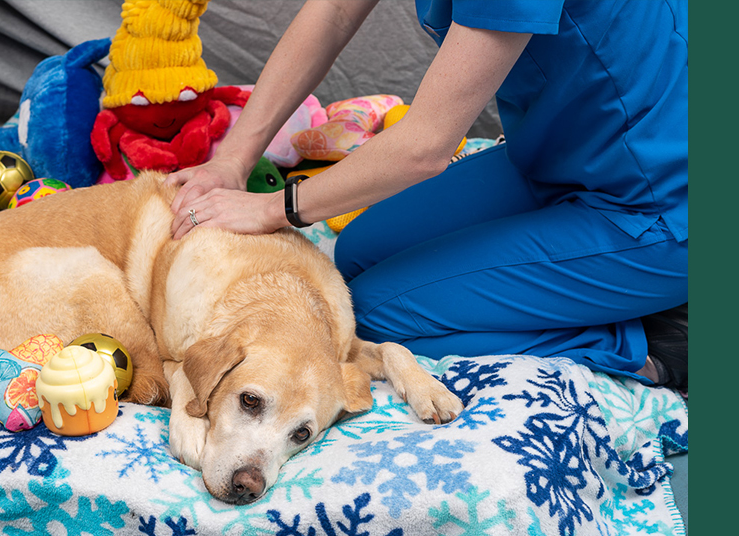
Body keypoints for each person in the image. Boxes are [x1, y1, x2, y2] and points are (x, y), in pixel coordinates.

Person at [165, 0, 688, 392]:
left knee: (372, 314)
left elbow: (423, 148)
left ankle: (653, 342)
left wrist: (273, 209)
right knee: (353, 257)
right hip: (559, 159)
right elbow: (333, 13)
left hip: (659, 206)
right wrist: (232, 160)